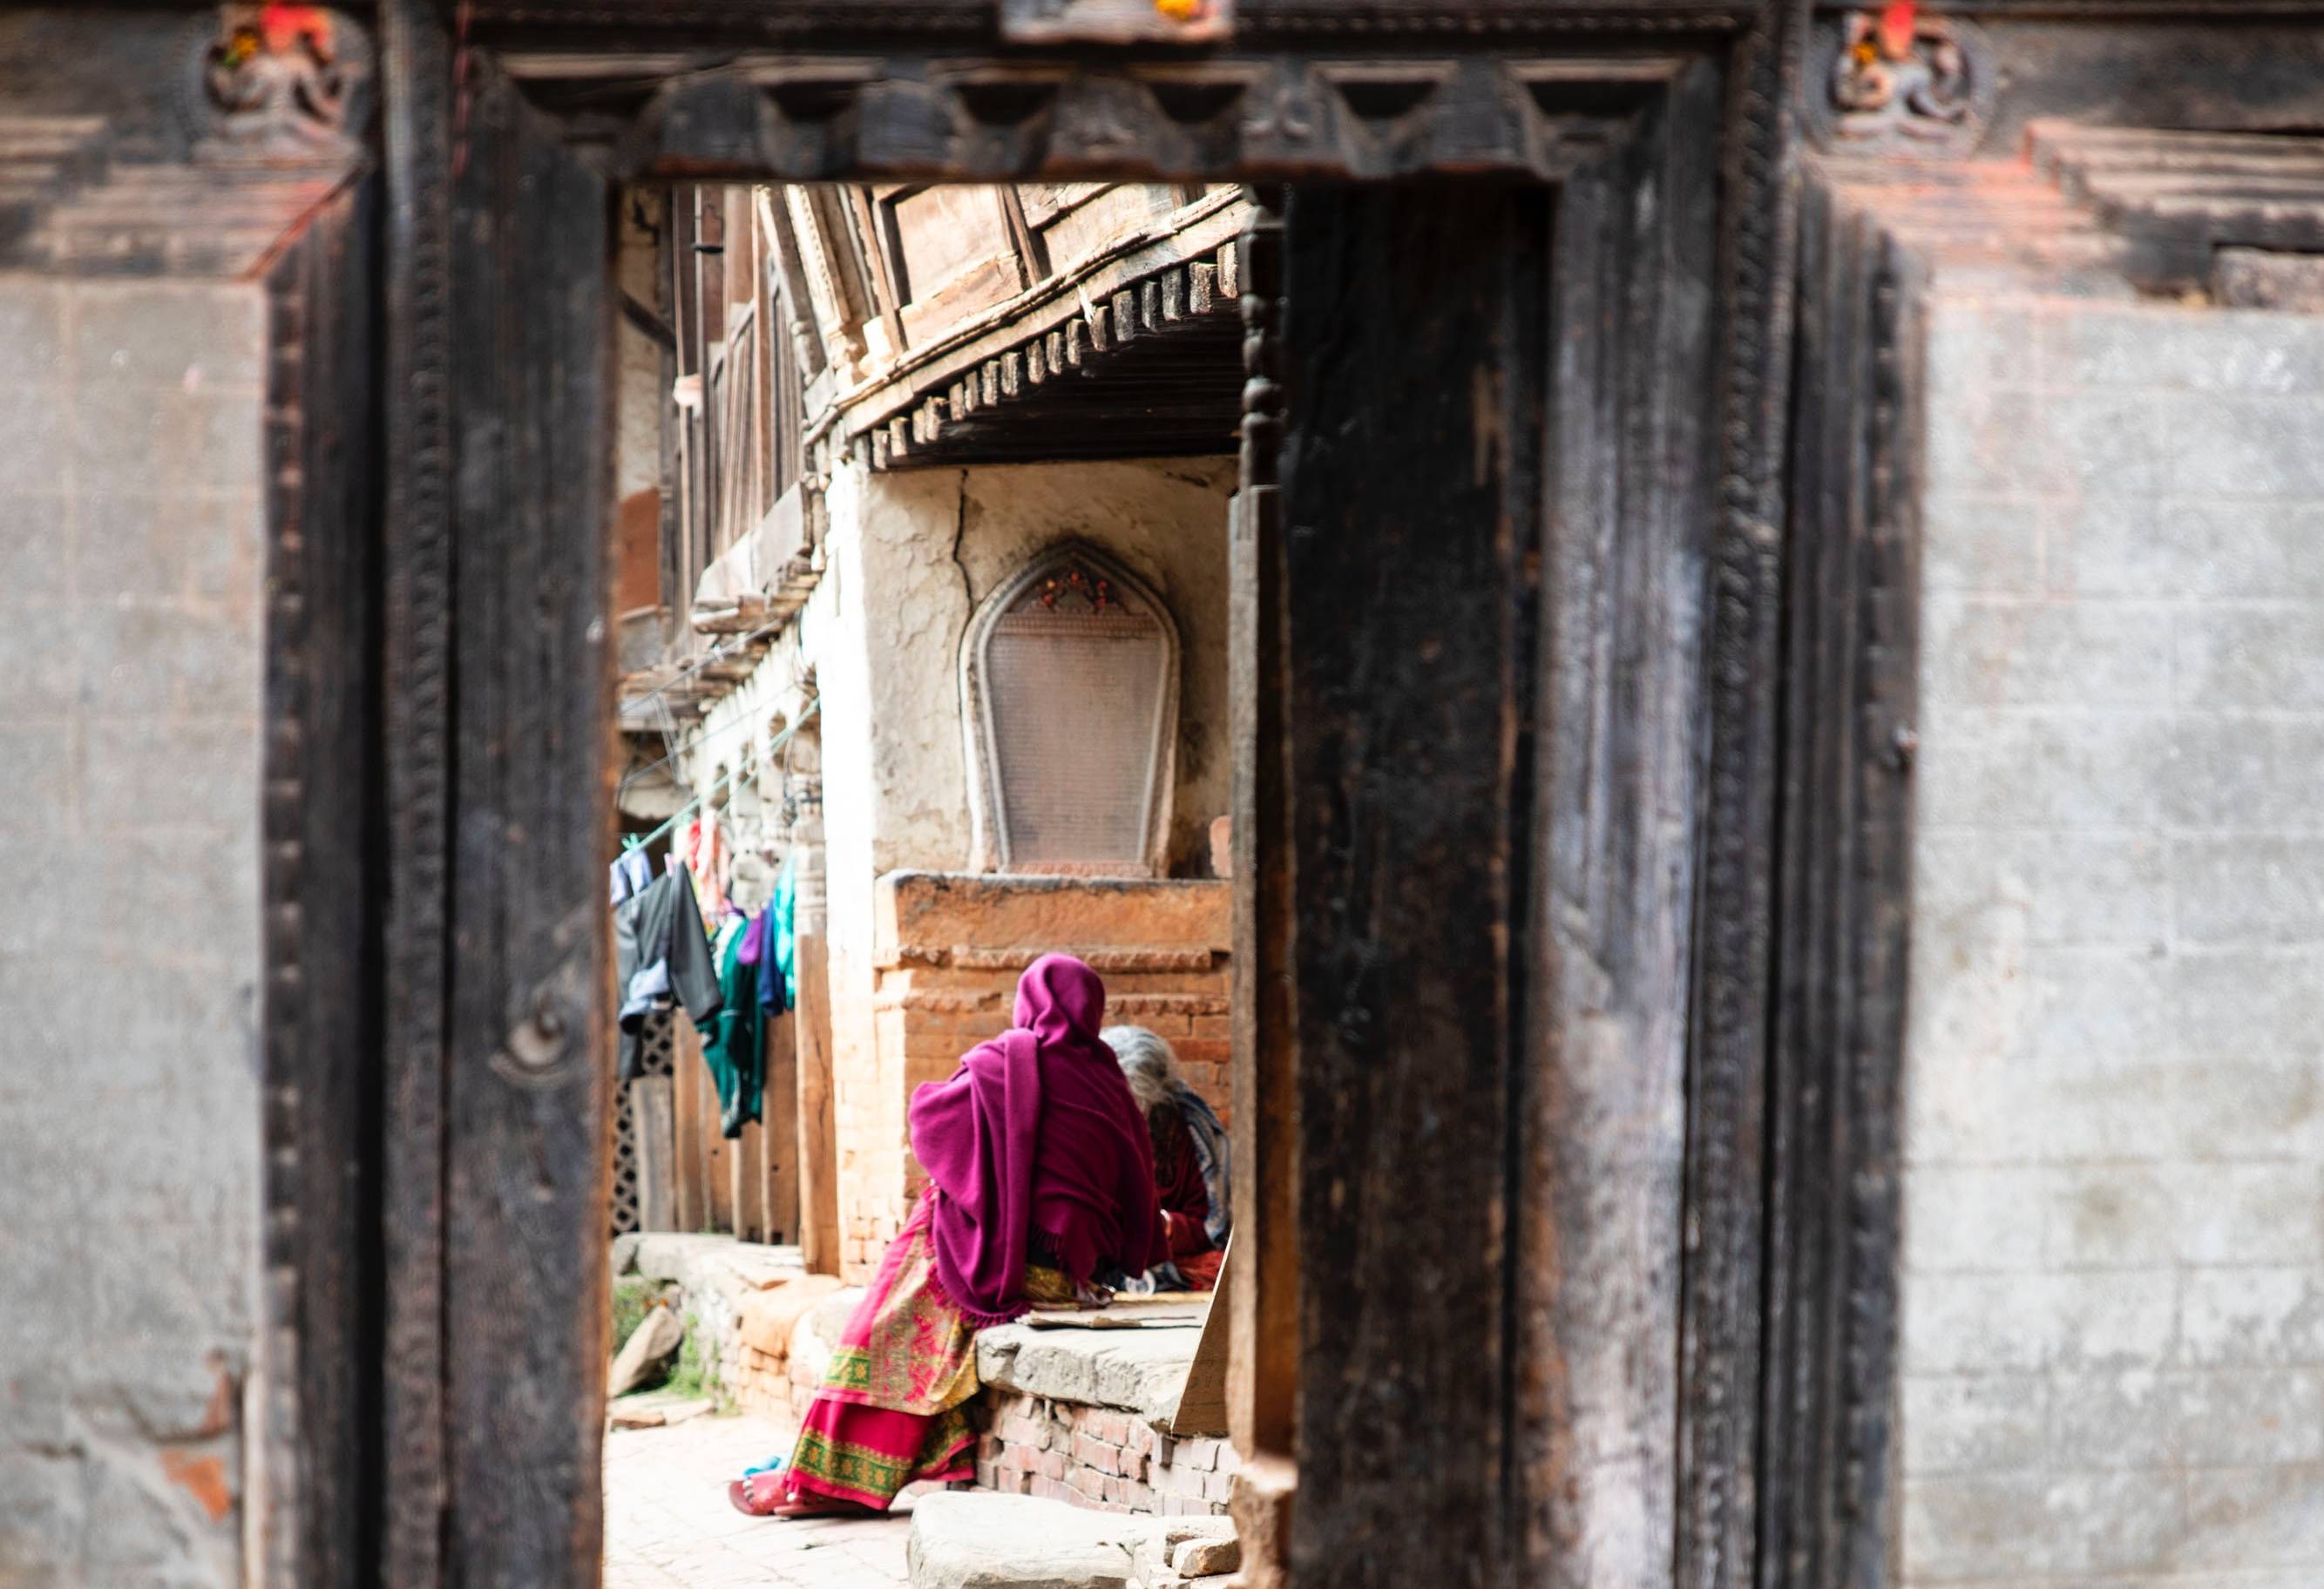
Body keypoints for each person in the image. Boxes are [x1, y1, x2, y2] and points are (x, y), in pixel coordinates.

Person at [732, 954, 1166, 1519]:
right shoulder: (1110, 1079)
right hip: (1065, 1281)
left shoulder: (1005, 1061)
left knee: (888, 1311)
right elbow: (1137, 1197)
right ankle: (929, 1463)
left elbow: (931, 1119)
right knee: (927, 1289)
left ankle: (828, 1478)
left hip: (1000, 1270)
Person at [1104, 1025, 1231, 1293]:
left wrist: (1168, 1226)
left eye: (1134, 1101)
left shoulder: (1189, 1128)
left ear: (1157, 1094)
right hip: (1115, 1251)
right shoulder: (1099, 1126)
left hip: (1176, 1252)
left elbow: (1211, 1225)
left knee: (1224, 1270)